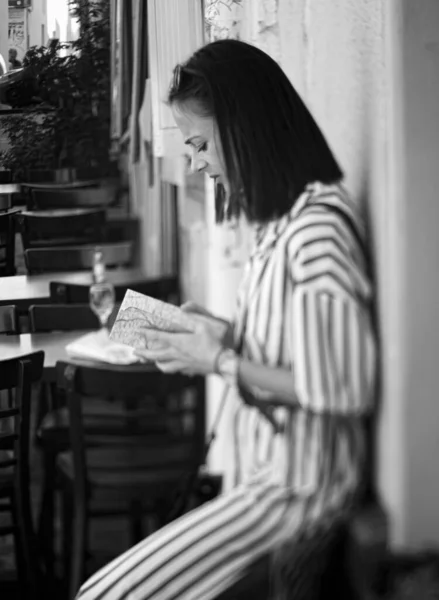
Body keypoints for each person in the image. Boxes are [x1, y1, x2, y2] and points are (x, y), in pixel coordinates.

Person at [76, 39, 377, 599]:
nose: (194, 162)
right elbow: (297, 353)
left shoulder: (316, 233)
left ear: (243, 128)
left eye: (199, 143)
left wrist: (217, 358)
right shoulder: (280, 227)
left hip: (296, 495)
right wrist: (216, 333)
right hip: (266, 484)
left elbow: (339, 388)